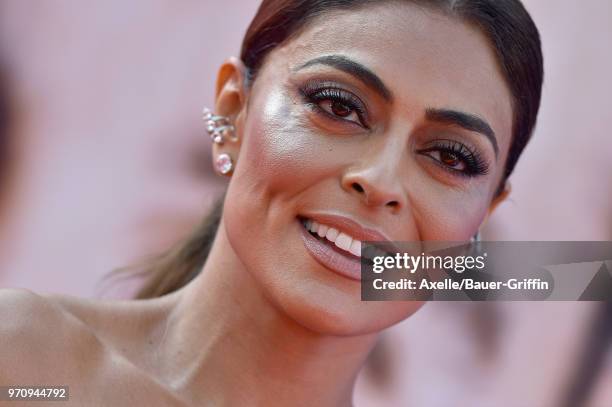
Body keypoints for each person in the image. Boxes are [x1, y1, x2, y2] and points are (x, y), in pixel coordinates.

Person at [0, 0, 543, 405]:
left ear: (483, 216)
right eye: (338, 106)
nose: (380, 180)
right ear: (234, 111)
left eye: (450, 158)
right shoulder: (25, 363)